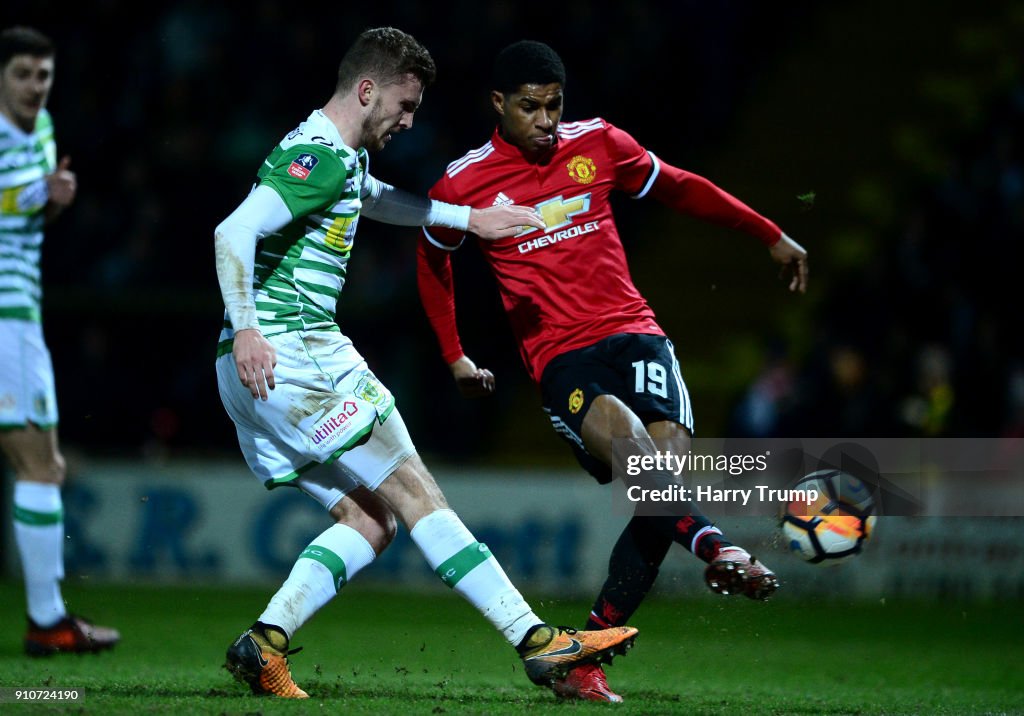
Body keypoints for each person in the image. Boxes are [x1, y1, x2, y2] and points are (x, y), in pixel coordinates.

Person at [214, 27, 637, 700]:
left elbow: (375, 199)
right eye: (404, 106)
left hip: (261, 372)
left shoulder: (337, 158)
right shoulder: (319, 156)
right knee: (416, 492)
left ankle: (262, 645)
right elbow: (232, 231)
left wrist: (468, 220)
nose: (408, 122)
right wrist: (248, 331)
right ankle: (536, 641)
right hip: (291, 352)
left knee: (370, 519)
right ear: (366, 89)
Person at [417, 40, 808, 702]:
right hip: (561, 356)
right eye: (530, 107)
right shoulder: (463, 182)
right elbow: (433, 258)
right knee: (637, 458)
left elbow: (681, 186)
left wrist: (767, 231)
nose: (546, 120)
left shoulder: (598, 143)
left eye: (554, 106)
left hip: (636, 335)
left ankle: (585, 655)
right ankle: (716, 546)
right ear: (498, 104)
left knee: (662, 487)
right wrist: (454, 353)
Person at [0, 26, 120, 657]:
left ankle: (48, 617)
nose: (34, 87)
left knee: (44, 465)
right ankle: (46, 620)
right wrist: (34, 193)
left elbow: (30, 212)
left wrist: (54, 201)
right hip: (4, 318)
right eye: (22, 73)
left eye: (43, 75)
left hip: (23, 311)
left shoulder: (42, 131)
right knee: (40, 466)